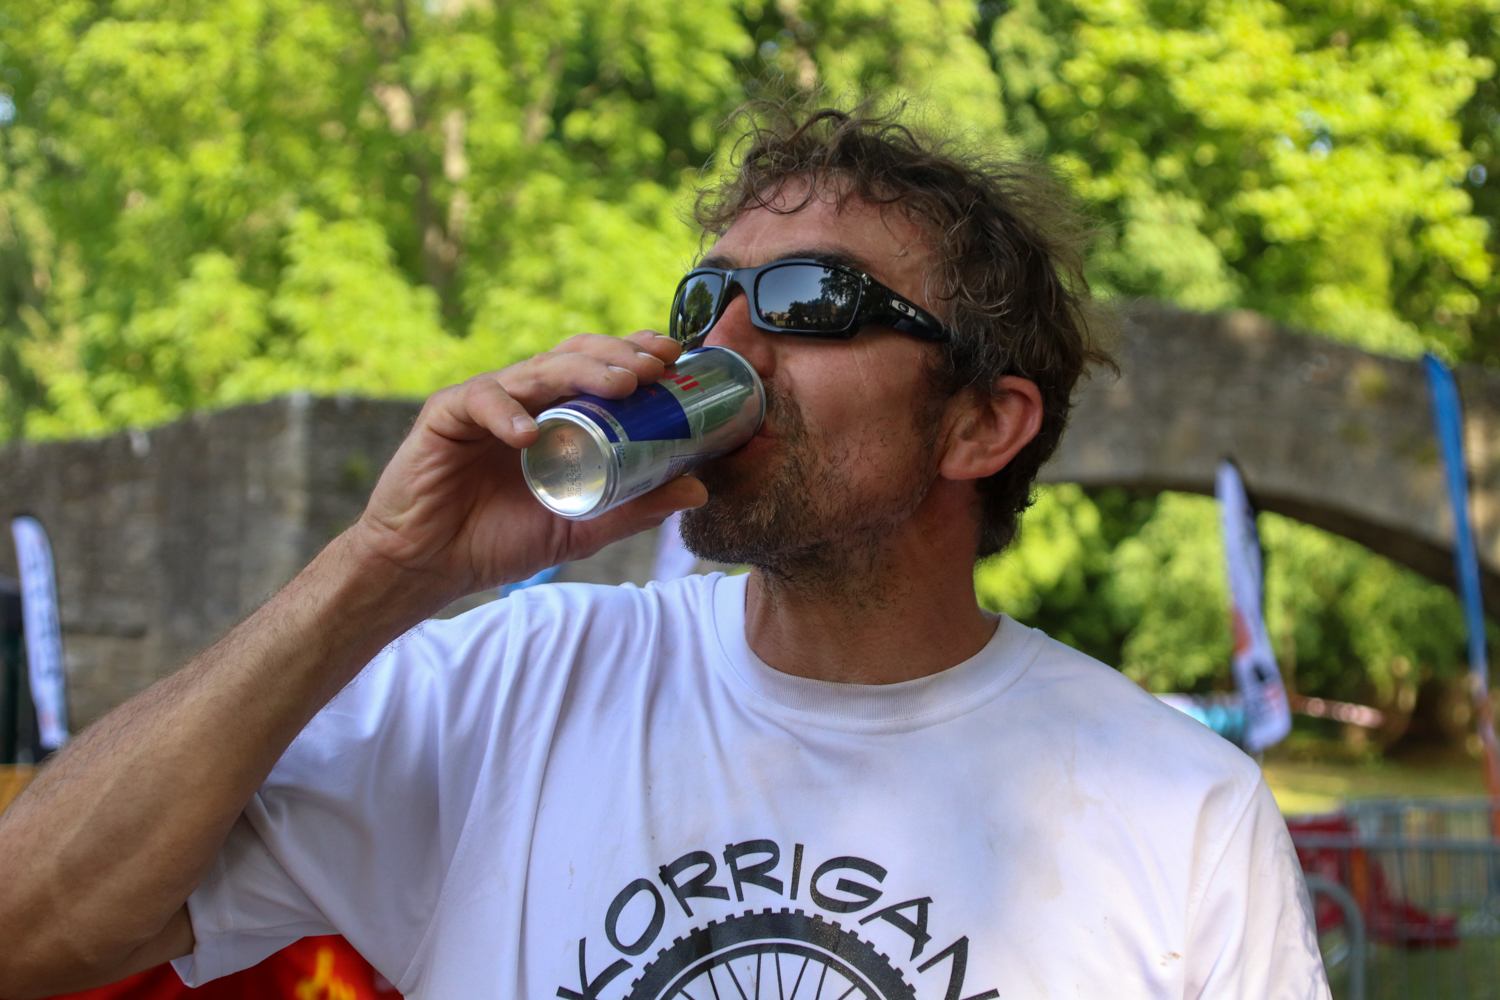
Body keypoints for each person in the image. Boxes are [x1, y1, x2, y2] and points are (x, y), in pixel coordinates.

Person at [0, 106, 1328, 1000]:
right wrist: (381, 572)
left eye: (811, 301)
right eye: (707, 297)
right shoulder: (505, 690)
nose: (722, 348)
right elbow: (27, 927)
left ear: (983, 422)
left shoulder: (1181, 813)